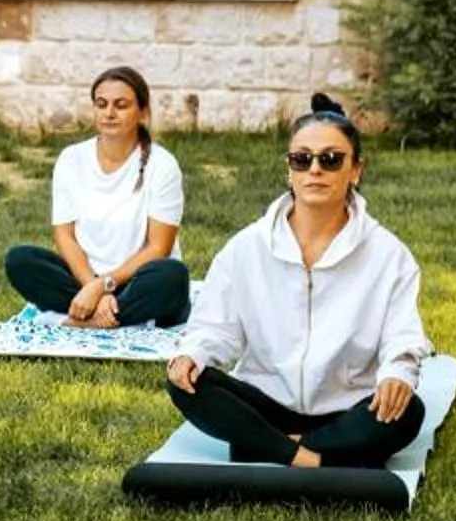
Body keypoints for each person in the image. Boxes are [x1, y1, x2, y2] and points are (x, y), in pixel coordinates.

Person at [165, 95, 428, 468]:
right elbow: (214, 327)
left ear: (356, 170)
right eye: (302, 159)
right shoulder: (247, 247)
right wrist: (193, 354)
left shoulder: (388, 254)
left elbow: (402, 336)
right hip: (267, 403)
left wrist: (397, 375)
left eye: (331, 159)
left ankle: (269, 447)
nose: (315, 170)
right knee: (186, 383)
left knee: (407, 411)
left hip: (348, 408)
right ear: (289, 170)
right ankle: (316, 456)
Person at [1, 66, 192, 328]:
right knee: (21, 260)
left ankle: (84, 320)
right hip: (84, 281)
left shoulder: (163, 165)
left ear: (143, 112)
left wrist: (104, 285)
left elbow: (159, 248)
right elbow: (64, 236)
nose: (109, 113)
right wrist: (91, 287)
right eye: (101, 104)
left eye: (121, 105)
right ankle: (112, 315)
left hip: (138, 282)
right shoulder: (71, 159)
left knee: (172, 276)